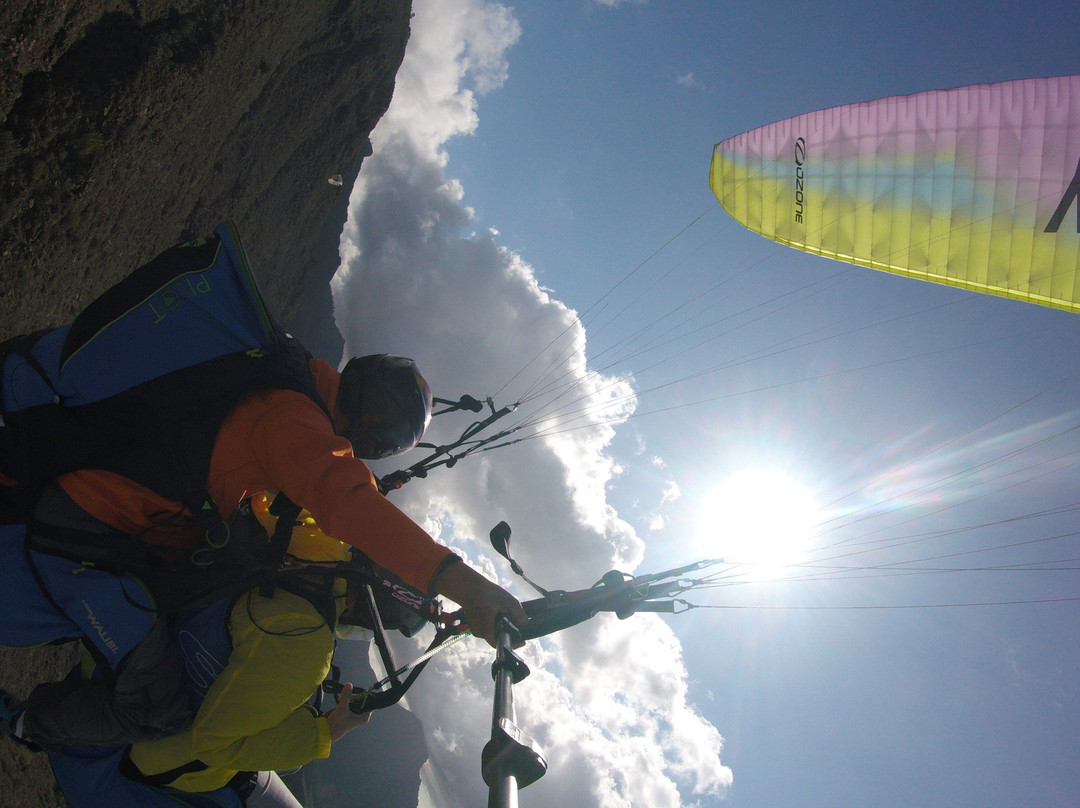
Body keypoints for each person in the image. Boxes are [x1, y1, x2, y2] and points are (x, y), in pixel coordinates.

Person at [3, 352, 527, 754]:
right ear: (374, 428)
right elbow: (343, 497)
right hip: (94, 523)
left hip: (113, 504)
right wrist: (465, 585)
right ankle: (27, 724)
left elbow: (316, 484)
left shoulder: (291, 379)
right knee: (156, 708)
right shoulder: (293, 421)